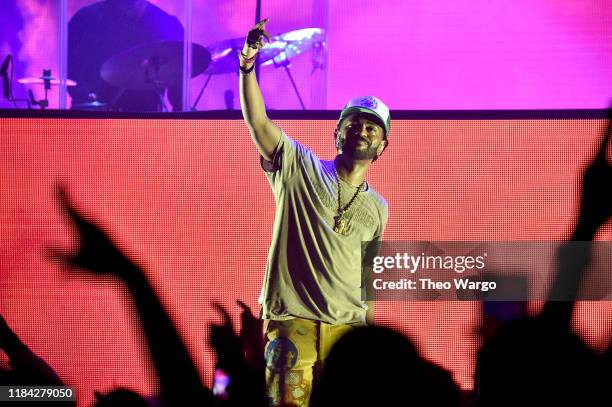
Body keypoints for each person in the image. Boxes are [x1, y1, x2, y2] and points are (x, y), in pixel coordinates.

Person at [239, 19, 390, 406]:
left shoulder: (378, 207)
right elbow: (258, 122)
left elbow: (367, 274)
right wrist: (248, 64)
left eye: (372, 128)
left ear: (382, 146)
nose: (362, 130)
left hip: (348, 331)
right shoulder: (299, 166)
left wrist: (367, 331)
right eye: (353, 123)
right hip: (293, 321)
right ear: (337, 133)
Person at [68, 0, 183, 111]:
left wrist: (181, 113)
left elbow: (177, 89)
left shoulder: (168, 24)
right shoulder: (84, 20)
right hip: (92, 120)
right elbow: (72, 75)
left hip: (146, 121)